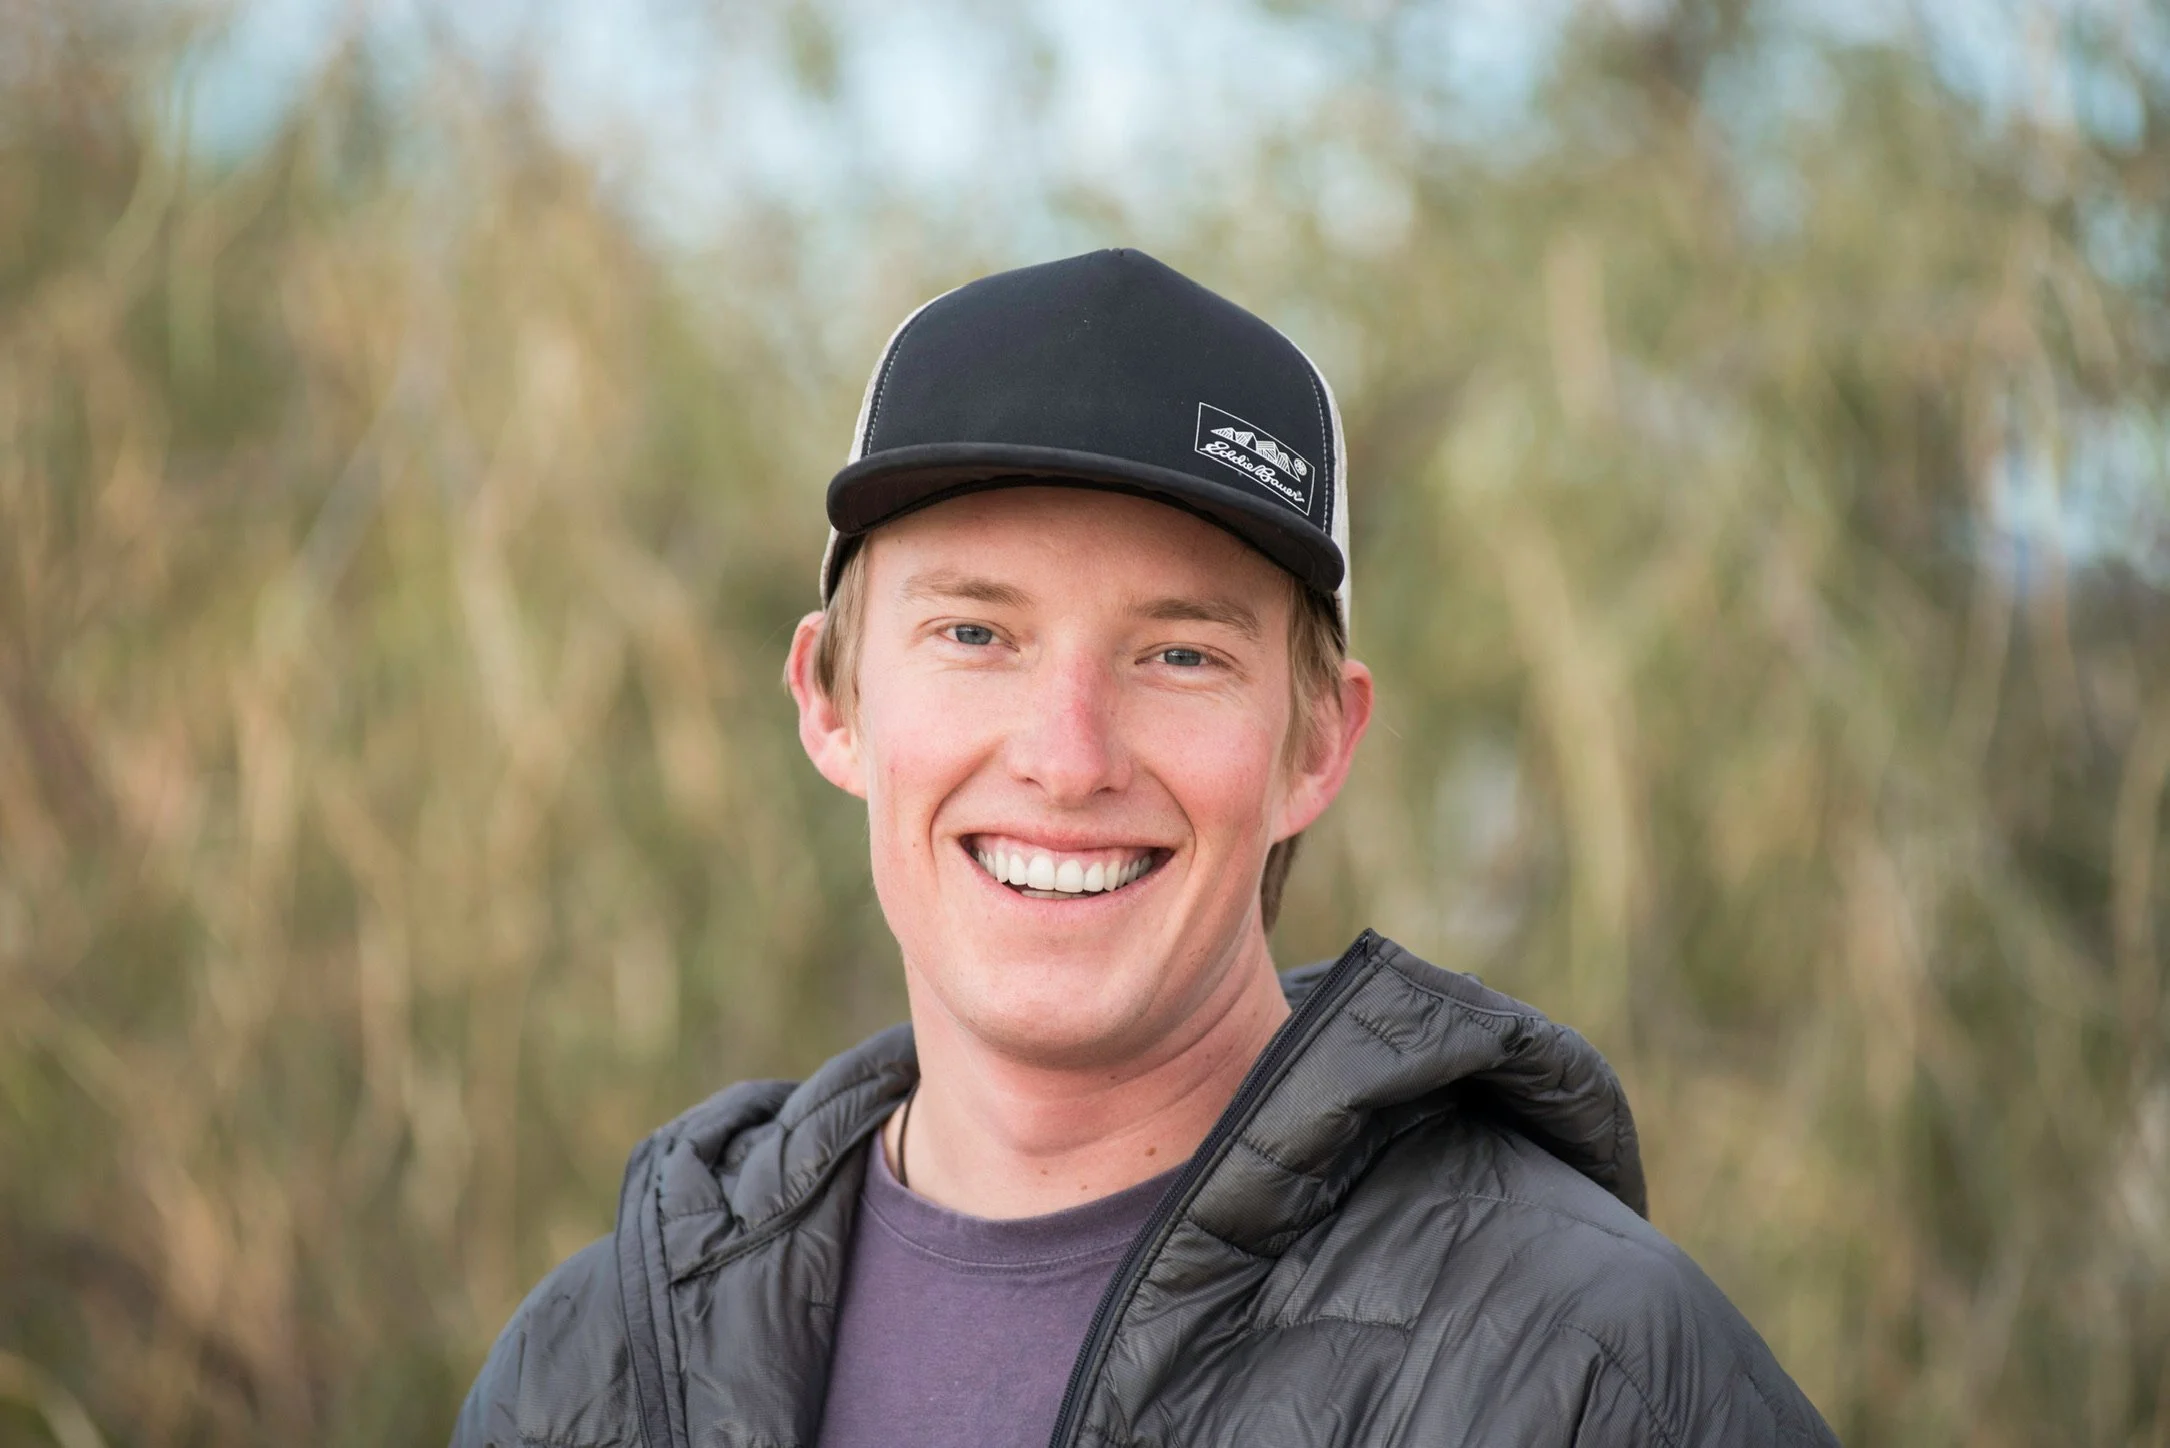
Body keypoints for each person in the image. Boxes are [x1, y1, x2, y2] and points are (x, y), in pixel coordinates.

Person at [451, 249, 1839, 1448]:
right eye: (974, 634)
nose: (1068, 752)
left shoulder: (1589, 1372)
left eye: (1178, 652)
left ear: (1314, 744)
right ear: (831, 702)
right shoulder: (601, 1366)